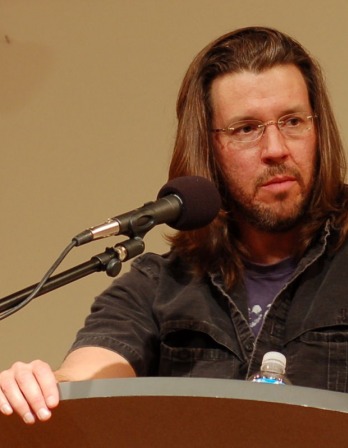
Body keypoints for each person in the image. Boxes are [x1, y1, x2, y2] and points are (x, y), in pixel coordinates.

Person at [1, 26, 348, 425]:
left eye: (292, 121)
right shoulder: (158, 285)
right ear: (208, 147)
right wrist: (37, 388)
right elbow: (85, 383)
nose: (276, 149)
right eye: (247, 129)